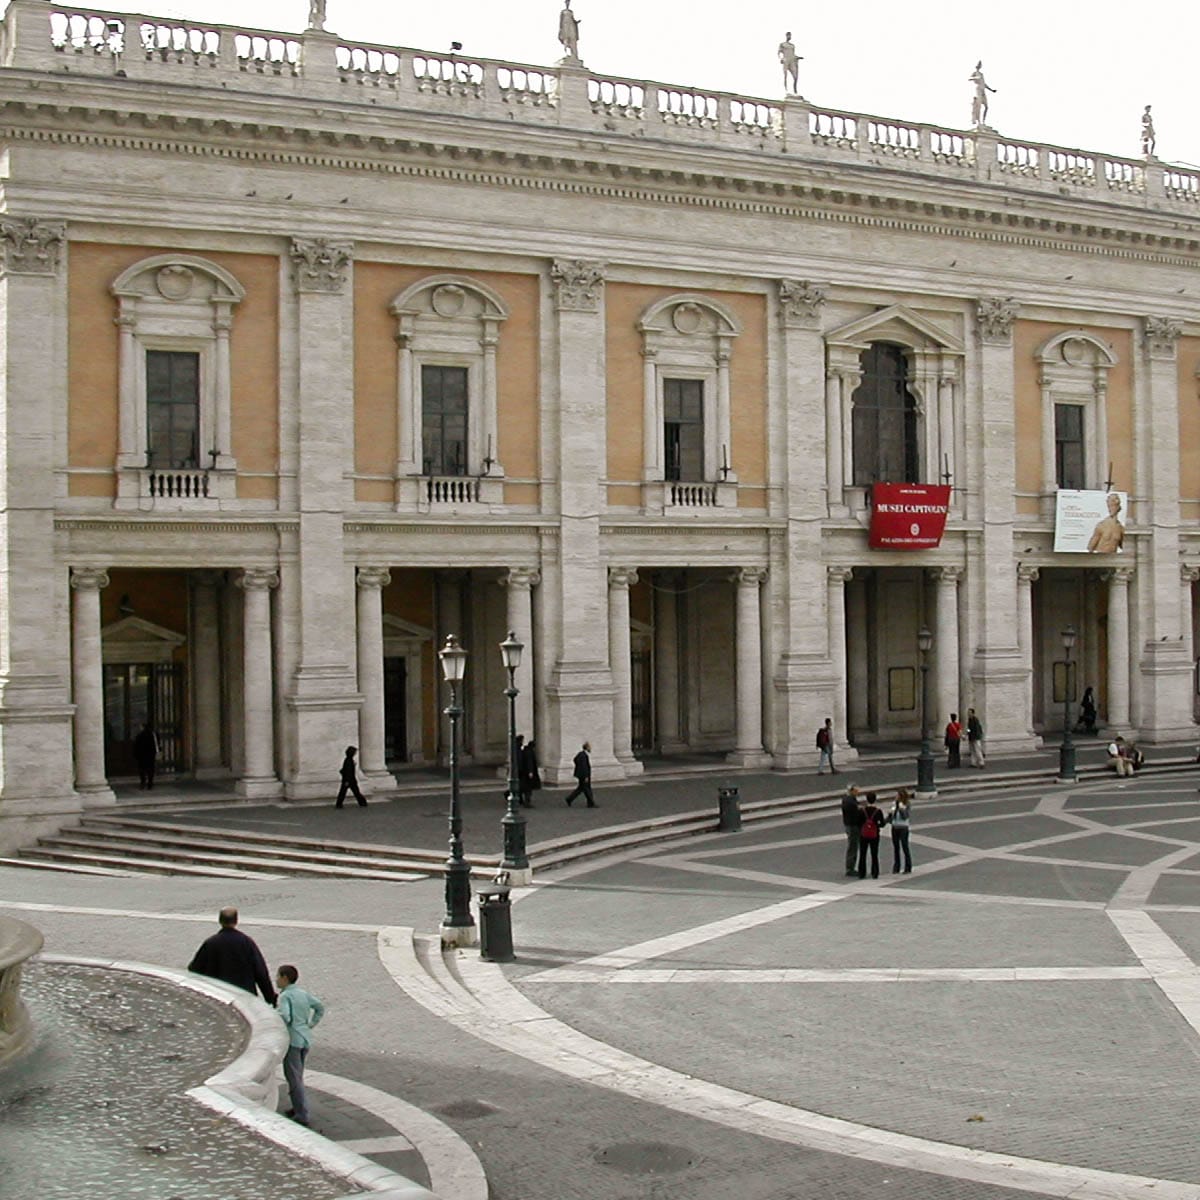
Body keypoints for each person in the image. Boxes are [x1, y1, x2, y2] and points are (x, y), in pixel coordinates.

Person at [188, 907, 277, 1004]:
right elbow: (261, 972)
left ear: (220, 921)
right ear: (236, 921)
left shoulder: (210, 943)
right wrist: (270, 998)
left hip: (218, 996)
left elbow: (194, 970)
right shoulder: (246, 942)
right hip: (245, 996)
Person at [276, 964, 324, 1127]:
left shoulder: (284, 997)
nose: (276, 980)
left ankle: (302, 1113)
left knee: (293, 1077)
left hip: (293, 1039)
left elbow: (286, 1017)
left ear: (284, 978)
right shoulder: (302, 993)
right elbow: (319, 1007)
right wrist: (310, 1024)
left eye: (278, 976)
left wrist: (273, 1016)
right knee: (298, 1075)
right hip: (305, 1038)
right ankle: (296, 1107)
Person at [857, 791, 883, 880]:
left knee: (862, 853)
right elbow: (882, 823)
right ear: (875, 800)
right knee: (874, 853)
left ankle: (861, 872)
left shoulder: (862, 811)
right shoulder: (878, 811)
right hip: (874, 834)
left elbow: (858, 823)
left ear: (866, 799)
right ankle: (875, 872)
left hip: (863, 834)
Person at [888, 788, 912, 874]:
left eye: (898, 795)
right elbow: (891, 816)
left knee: (905, 846)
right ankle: (896, 866)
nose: (896, 797)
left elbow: (905, 816)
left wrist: (901, 809)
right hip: (895, 827)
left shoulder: (907, 804)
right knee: (896, 847)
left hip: (903, 827)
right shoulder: (894, 804)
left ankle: (908, 866)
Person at [564, 741, 595, 807]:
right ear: (587, 748)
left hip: (581, 775)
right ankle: (591, 803)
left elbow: (575, 760)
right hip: (584, 775)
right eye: (589, 747)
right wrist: (586, 776)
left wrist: (578, 768)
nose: (590, 748)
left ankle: (569, 799)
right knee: (587, 789)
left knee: (580, 789)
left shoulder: (580, 754)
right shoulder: (584, 756)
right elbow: (584, 767)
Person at [840, 785, 862, 877]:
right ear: (852, 791)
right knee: (853, 846)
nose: (858, 792)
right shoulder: (851, 802)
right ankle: (850, 868)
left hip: (849, 824)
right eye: (857, 791)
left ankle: (850, 867)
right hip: (853, 825)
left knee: (853, 846)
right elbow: (856, 814)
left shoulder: (846, 800)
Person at [132, 722, 159, 790]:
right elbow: (157, 745)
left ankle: (143, 783)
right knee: (150, 770)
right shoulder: (153, 735)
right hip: (151, 755)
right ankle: (150, 784)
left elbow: (136, 746)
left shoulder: (139, 736)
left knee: (142, 770)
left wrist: (135, 755)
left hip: (142, 756)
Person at [969, 61, 995, 128]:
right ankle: (979, 121)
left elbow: (984, 83)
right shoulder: (975, 73)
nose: (979, 66)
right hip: (978, 89)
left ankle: (983, 121)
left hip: (983, 90)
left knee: (986, 107)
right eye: (978, 65)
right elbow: (969, 78)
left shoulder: (981, 74)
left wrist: (991, 90)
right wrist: (976, 78)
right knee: (979, 105)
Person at [517, 736, 541, 807]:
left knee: (523, 787)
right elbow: (529, 762)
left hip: (523, 772)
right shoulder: (529, 752)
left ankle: (521, 799)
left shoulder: (525, 751)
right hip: (527, 773)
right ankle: (527, 802)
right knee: (528, 789)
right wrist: (530, 772)